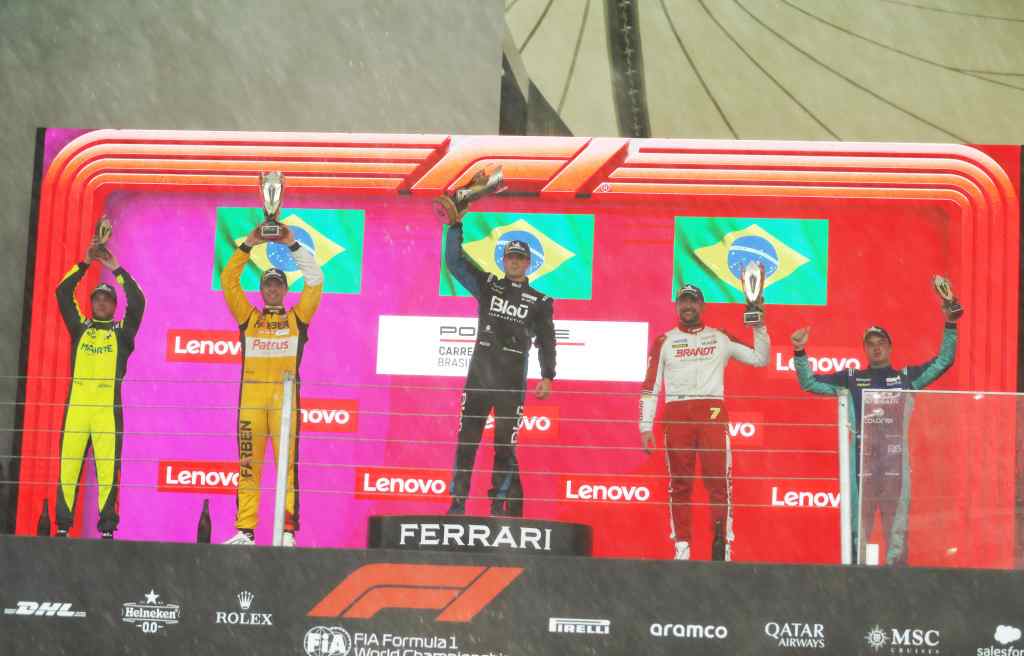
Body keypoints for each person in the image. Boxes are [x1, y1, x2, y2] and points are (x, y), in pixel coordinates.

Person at [791, 302, 959, 565]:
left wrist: (950, 324)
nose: (876, 347)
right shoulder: (850, 379)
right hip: (861, 461)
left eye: (881, 343)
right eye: (870, 344)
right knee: (857, 529)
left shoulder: (906, 378)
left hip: (895, 461)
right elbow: (809, 382)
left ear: (890, 348)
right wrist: (800, 351)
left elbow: (943, 361)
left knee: (897, 531)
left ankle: (898, 581)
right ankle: (855, 582)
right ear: (865, 349)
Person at [640, 284, 769, 561]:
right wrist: (645, 425)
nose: (688, 306)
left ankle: (723, 545)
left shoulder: (720, 337)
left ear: (702, 306)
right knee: (679, 485)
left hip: (711, 411)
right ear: (677, 306)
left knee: (719, 483)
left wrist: (758, 324)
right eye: (683, 302)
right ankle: (682, 547)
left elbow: (761, 358)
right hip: (677, 413)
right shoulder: (665, 341)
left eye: (693, 301)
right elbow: (651, 385)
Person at [443, 207, 556, 518]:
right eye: (510, 257)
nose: (515, 262)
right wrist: (455, 226)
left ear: (529, 263)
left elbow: (547, 340)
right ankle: (457, 503)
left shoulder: (541, 301)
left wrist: (547, 375)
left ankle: (498, 506)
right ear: (503, 261)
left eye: (520, 258)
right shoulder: (488, 285)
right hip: (479, 379)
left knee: (505, 446)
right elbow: (454, 263)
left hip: (511, 383)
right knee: (467, 442)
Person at [221, 225, 322, 546]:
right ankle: (245, 531)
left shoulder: (297, 319)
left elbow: (315, 280)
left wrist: (292, 244)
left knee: (286, 469)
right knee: (248, 467)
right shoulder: (248, 318)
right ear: (262, 290)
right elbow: (228, 280)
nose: (273, 289)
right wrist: (249, 243)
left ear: (285, 289)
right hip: (250, 405)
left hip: (285, 406)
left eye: (278, 284)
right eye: (268, 284)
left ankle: (287, 532)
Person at [54, 237, 145, 539]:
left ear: (114, 306)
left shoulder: (122, 334)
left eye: (107, 299)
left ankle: (107, 530)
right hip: (77, 410)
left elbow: (139, 302)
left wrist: (116, 268)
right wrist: (84, 262)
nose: (102, 302)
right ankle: (63, 527)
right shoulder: (80, 328)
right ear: (91, 303)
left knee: (108, 470)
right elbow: (62, 292)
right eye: (97, 299)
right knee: (68, 467)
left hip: (107, 412)